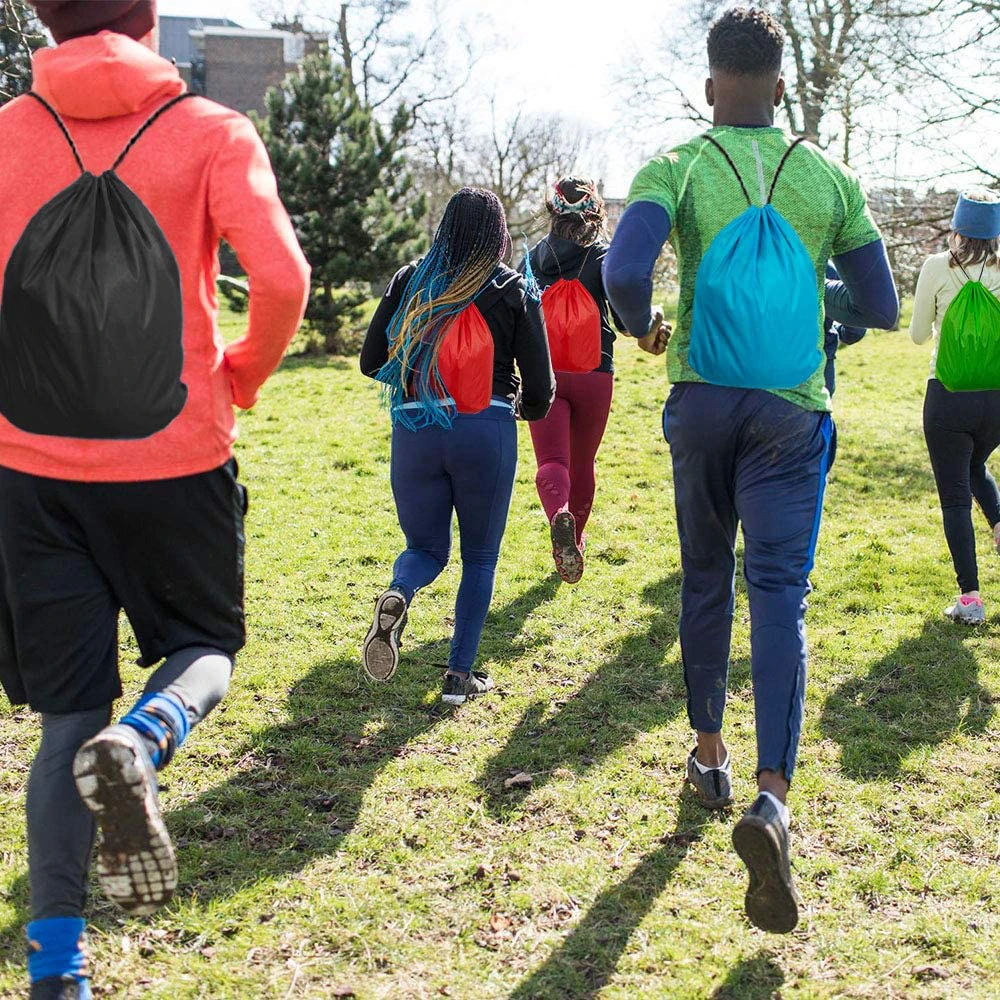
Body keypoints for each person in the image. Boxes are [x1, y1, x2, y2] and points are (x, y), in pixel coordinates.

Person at [0, 4, 310, 997]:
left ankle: (56, 971)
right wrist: (239, 376)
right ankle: (145, 739)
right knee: (205, 645)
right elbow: (281, 276)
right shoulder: (212, 132)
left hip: (30, 468)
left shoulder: (6, 134)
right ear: (145, 18)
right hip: (172, 457)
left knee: (62, 720)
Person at [604, 6, 898, 934]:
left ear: (708, 86)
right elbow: (884, 304)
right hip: (790, 414)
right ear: (778, 86)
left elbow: (622, 272)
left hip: (701, 404)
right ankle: (771, 797)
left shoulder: (678, 165)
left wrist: (639, 325)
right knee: (778, 594)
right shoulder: (827, 176)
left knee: (703, 579)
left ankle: (707, 755)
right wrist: (825, 303)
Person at [360, 188, 554, 705]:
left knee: (425, 549)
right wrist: (523, 409)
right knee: (481, 557)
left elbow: (369, 359)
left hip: (414, 426)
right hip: (483, 428)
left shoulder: (410, 279)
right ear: (499, 233)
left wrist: (418, 372)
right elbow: (542, 387)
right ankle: (458, 676)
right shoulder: (513, 288)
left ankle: (400, 590)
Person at [520, 178, 642, 583]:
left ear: (552, 211)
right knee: (583, 461)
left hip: (545, 373)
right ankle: (577, 539)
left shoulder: (533, 258)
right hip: (595, 372)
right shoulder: (604, 256)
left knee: (551, 461)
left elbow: (520, 317)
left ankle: (559, 516)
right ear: (595, 210)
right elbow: (625, 321)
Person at [910, 190, 1000, 624]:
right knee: (973, 466)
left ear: (958, 227)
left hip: (947, 397)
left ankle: (970, 600)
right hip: (996, 400)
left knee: (955, 498)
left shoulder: (935, 267)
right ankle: (999, 523)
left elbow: (917, 336)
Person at [823, 262, 867, 399]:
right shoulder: (827, 269)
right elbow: (855, 332)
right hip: (819, 366)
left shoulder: (760, 262)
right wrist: (835, 329)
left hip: (764, 367)